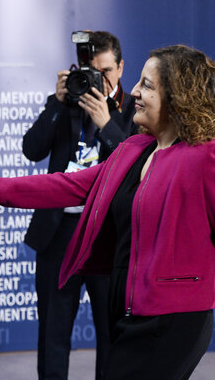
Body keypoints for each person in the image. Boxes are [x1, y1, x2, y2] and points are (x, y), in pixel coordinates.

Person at [0, 45, 215, 379]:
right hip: (127, 311)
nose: (133, 92)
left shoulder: (212, 156)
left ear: (179, 97)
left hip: (175, 321)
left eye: (146, 85)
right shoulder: (134, 148)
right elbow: (66, 186)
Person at [22, 31, 137, 380]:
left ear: (120, 68)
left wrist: (106, 124)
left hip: (109, 236)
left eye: (105, 71)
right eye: (91, 70)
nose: (97, 80)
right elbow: (32, 150)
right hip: (60, 235)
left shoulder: (135, 108)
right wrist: (57, 103)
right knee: (53, 332)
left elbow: (137, 167)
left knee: (111, 332)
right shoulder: (64, 102)